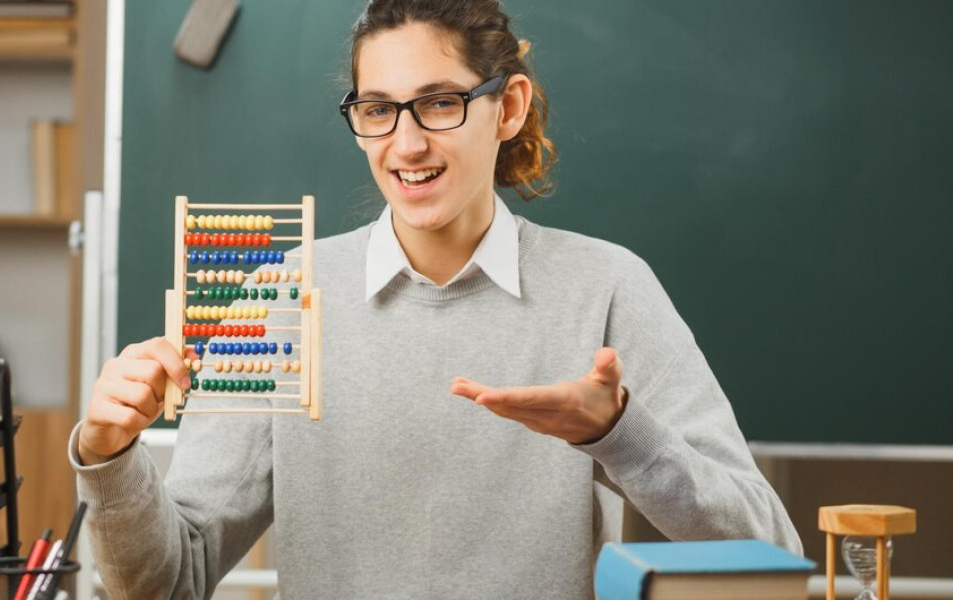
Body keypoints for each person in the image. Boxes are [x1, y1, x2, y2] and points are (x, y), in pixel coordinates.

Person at [69, 0, 803, 598]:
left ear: (508, 106)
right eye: (378, 110)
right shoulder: (280, 299)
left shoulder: (606, 289)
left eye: (440, 103)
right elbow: (168, 581)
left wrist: (619, 432)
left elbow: (767, 549)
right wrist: (109, 454)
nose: (407, 143)